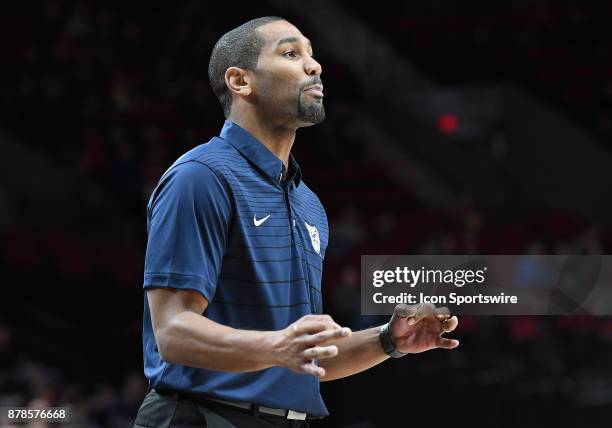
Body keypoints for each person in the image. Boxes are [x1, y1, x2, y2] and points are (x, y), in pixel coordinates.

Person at [133, 16, 459, 428]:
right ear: (240, 81)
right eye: (291, 53)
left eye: (312, 54)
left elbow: (302, 355)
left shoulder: (308, 203)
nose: (314, 65)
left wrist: (388, 340)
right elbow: (173, 332)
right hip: (200, 416)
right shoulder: (201, 177)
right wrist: (277, 345)